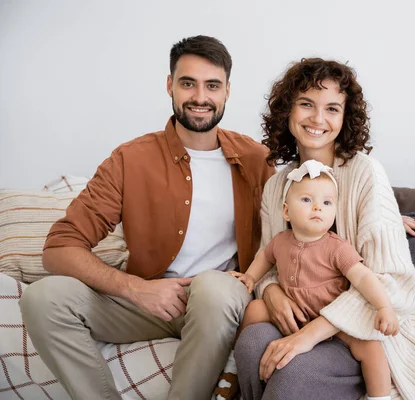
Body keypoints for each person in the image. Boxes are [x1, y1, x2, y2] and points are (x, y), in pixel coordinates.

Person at [18, 35, 274, 400]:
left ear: (227, 91)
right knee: (42, 298)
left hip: (219, 302)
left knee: (214, 287)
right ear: (170, 85)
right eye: (188, 83)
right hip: (147, 301)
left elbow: (286, 238)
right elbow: (59, 247)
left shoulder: (255, 160)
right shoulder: (130, 159)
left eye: (212, 85)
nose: (200, 97)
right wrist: (134, 288)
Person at [234, 58, 415, 400]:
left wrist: (312, 333)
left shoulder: (365, 173)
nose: (318, 119)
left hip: (356, 328)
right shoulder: (277, 186)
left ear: (345, 117)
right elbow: (274, 258)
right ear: (287, 111)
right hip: (298, 313)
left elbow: (393, 282)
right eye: (306, 104)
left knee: (290, 374)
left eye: (332, 108)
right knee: (251, 345)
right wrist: (271, 293)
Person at [230, 159, 399, 399]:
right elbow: (264, 259)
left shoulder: (337, 247)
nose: (318, 207)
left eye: (327, 202)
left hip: (331, 318)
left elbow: (363, 277)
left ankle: (379, 396)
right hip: (296, 314)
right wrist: (249, 276)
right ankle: (232, 360)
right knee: (255, 309)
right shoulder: (280, 240)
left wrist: (384, 306)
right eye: (307, 200)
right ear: (286, 211)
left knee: (370, 346)